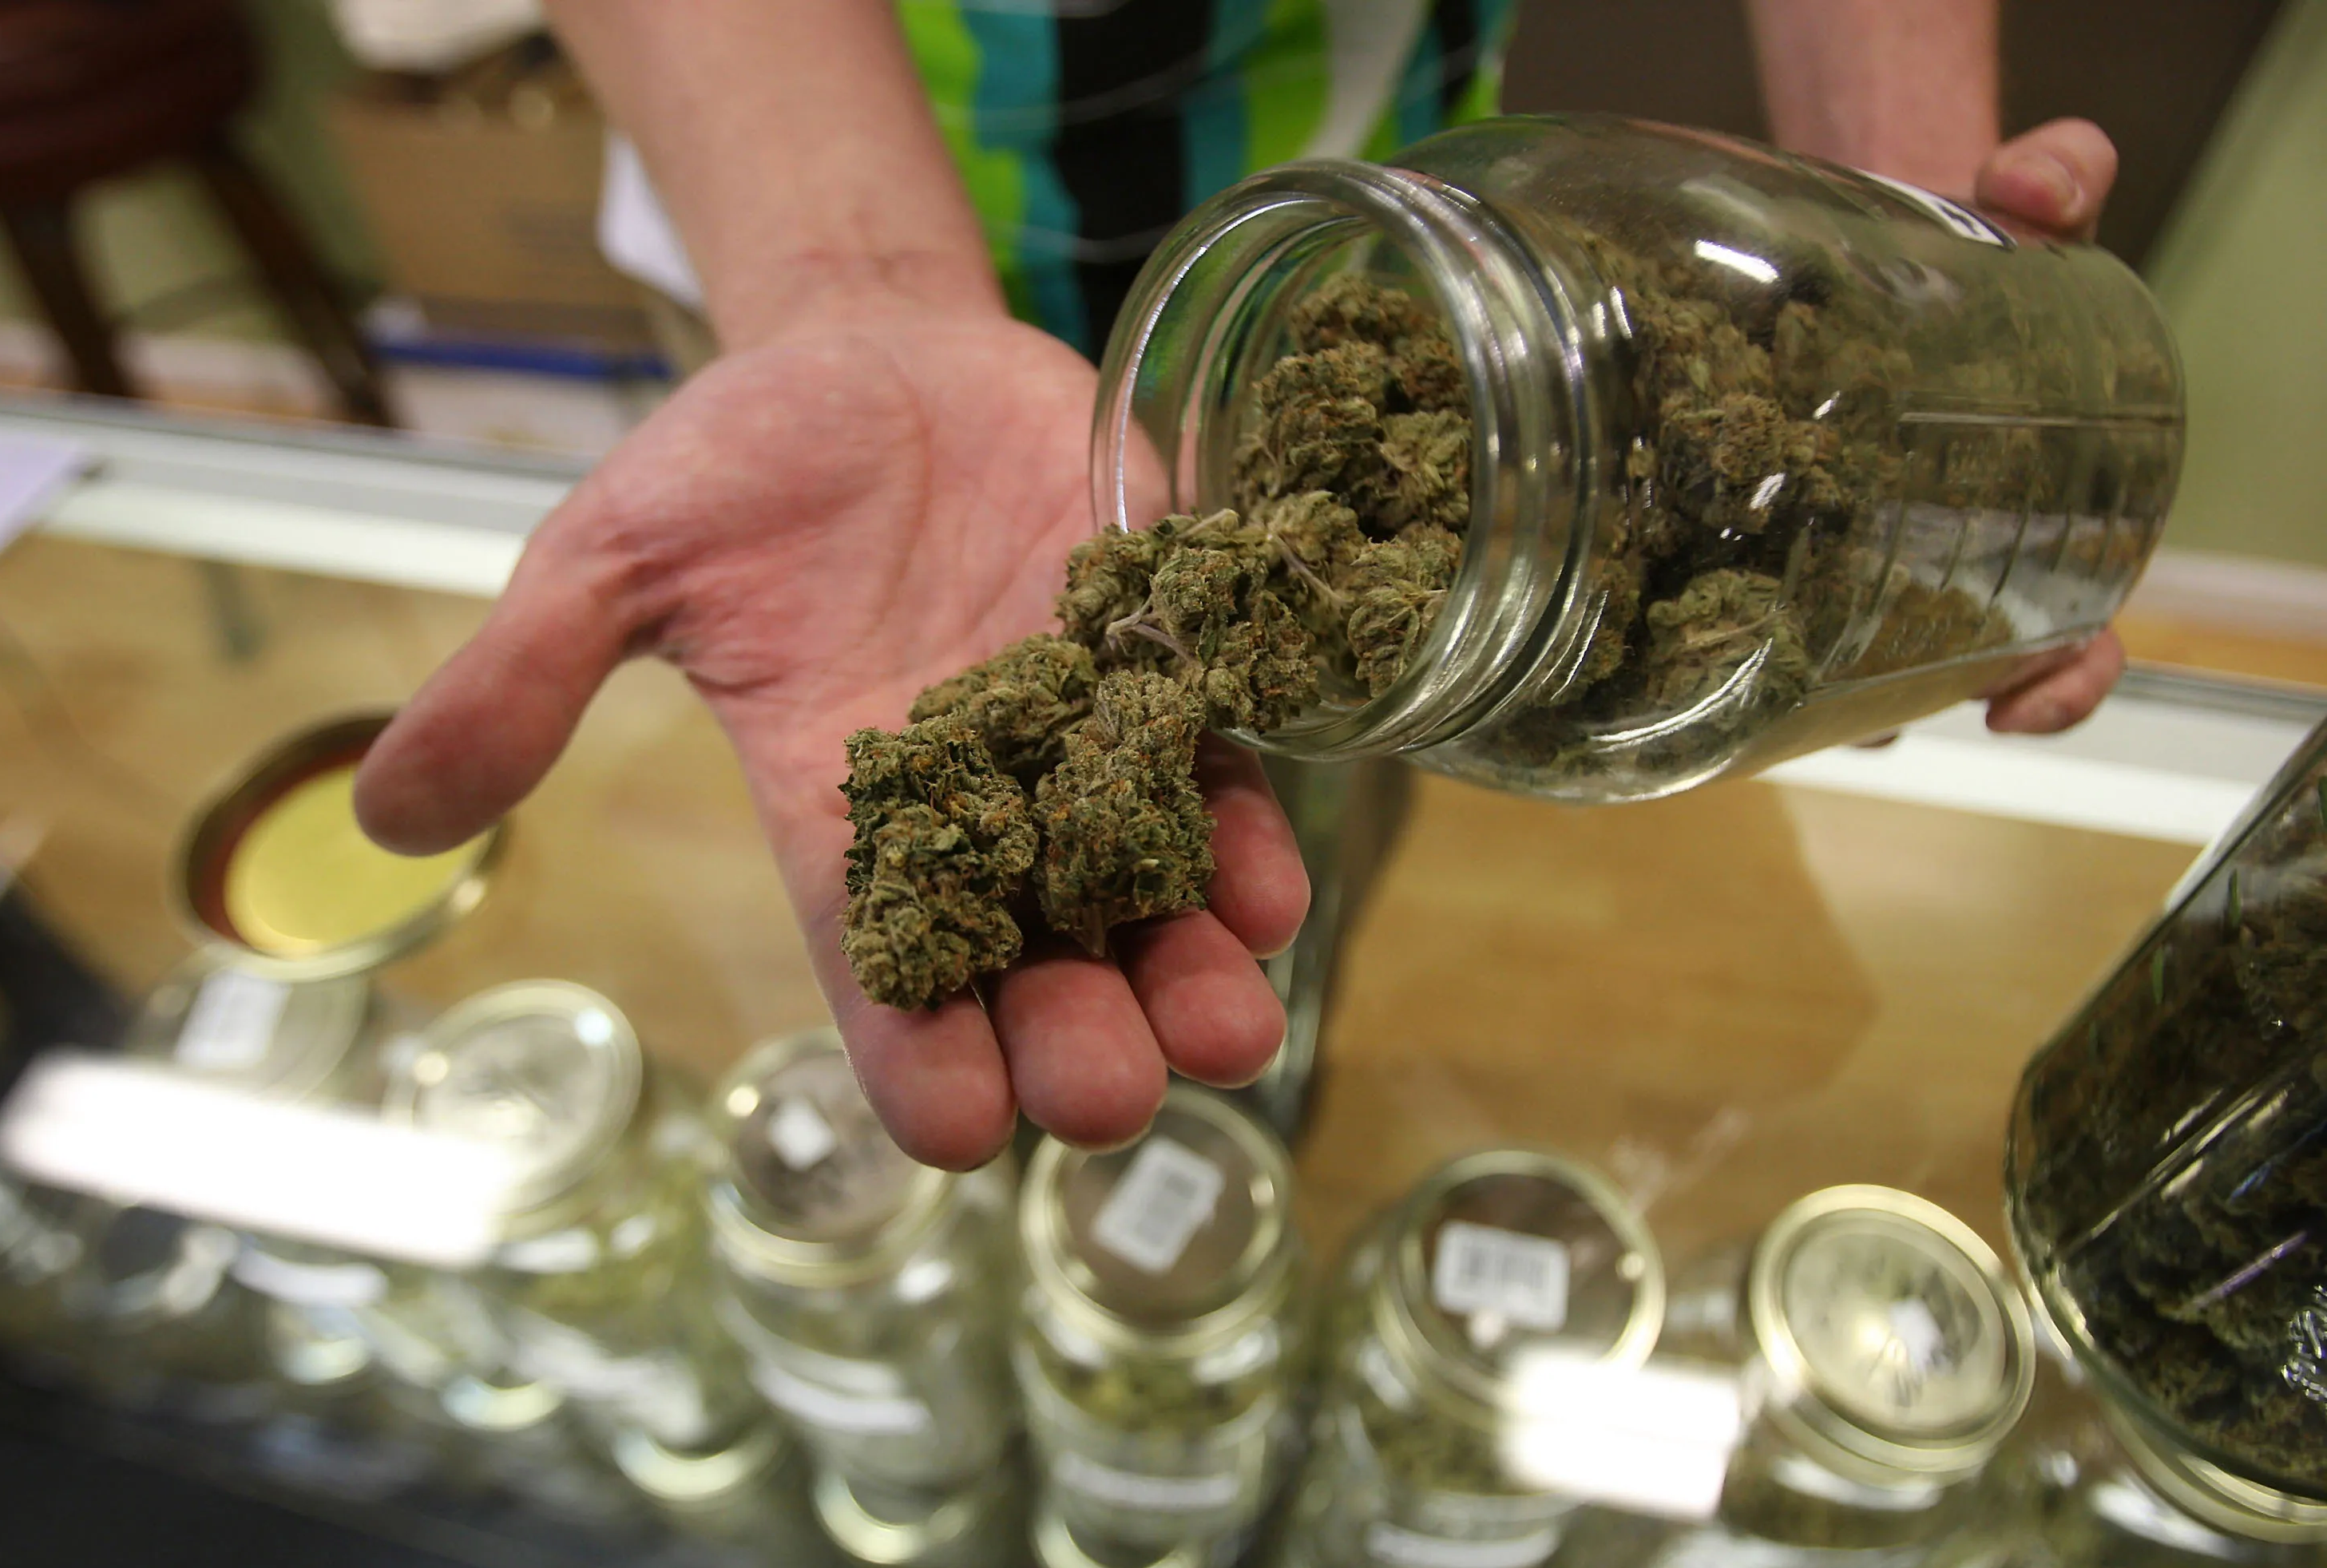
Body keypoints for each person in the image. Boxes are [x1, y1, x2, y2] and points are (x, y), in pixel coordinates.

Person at [354, 0, 2129, 1171]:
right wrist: (845, 285)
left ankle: (1265, 1084)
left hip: (1406, 222)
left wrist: (1908, 278)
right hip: (801, 187)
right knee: (1166, 924)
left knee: (1319, 826)